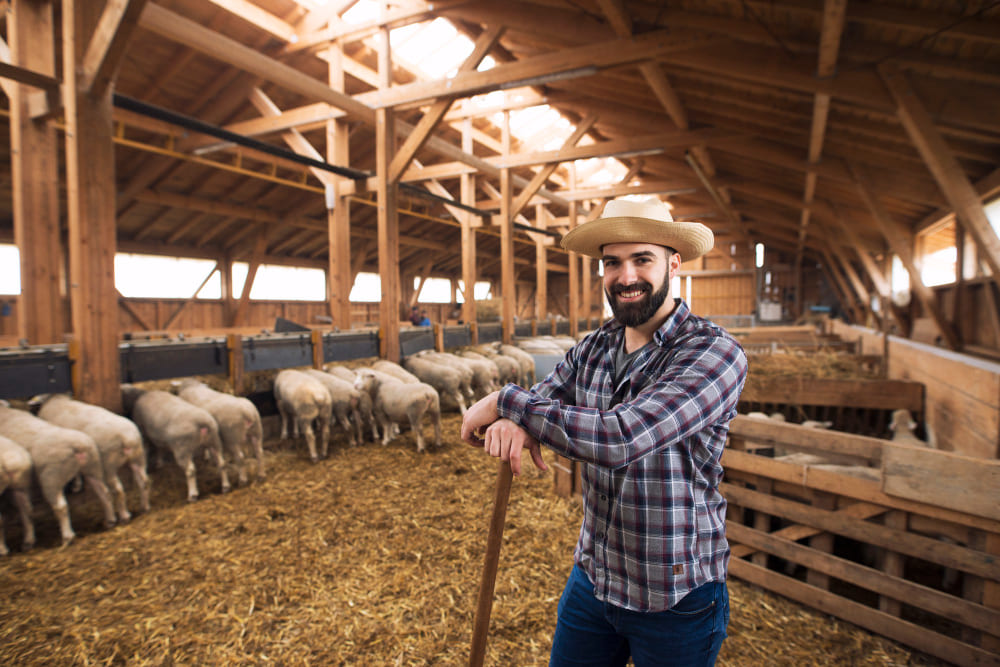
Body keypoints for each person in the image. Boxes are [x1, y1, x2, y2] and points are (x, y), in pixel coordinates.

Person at [461, 197, 747, 666]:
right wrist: (518, 419)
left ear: (674, 263)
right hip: (596, 578)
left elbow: (622, 437)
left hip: (674, 592)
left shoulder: (713, 352)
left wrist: (505, 402)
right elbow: (544, 400)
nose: (626, 276)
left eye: (642, 259)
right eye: (612, 262)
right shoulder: (594, 347)